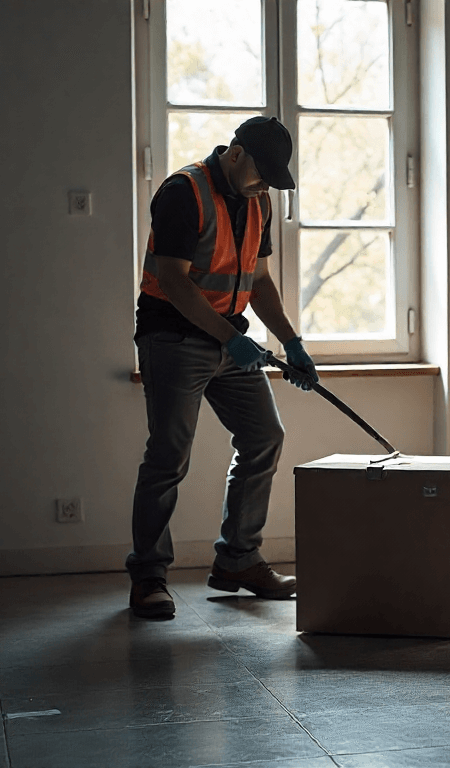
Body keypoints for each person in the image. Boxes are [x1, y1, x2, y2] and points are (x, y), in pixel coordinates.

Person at [127, 116, 318, 619]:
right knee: (168, 456)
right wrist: (231, 340)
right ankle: (148, 576)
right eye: (259, 173)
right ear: (236, 154)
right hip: (173, 337)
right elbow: (174, 281)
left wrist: (292, 342)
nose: (262, 186)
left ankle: (238, 559)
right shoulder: (182, 192)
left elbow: (259, 282)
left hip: (229, 338)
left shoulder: (259, 200)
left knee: (264, 437)